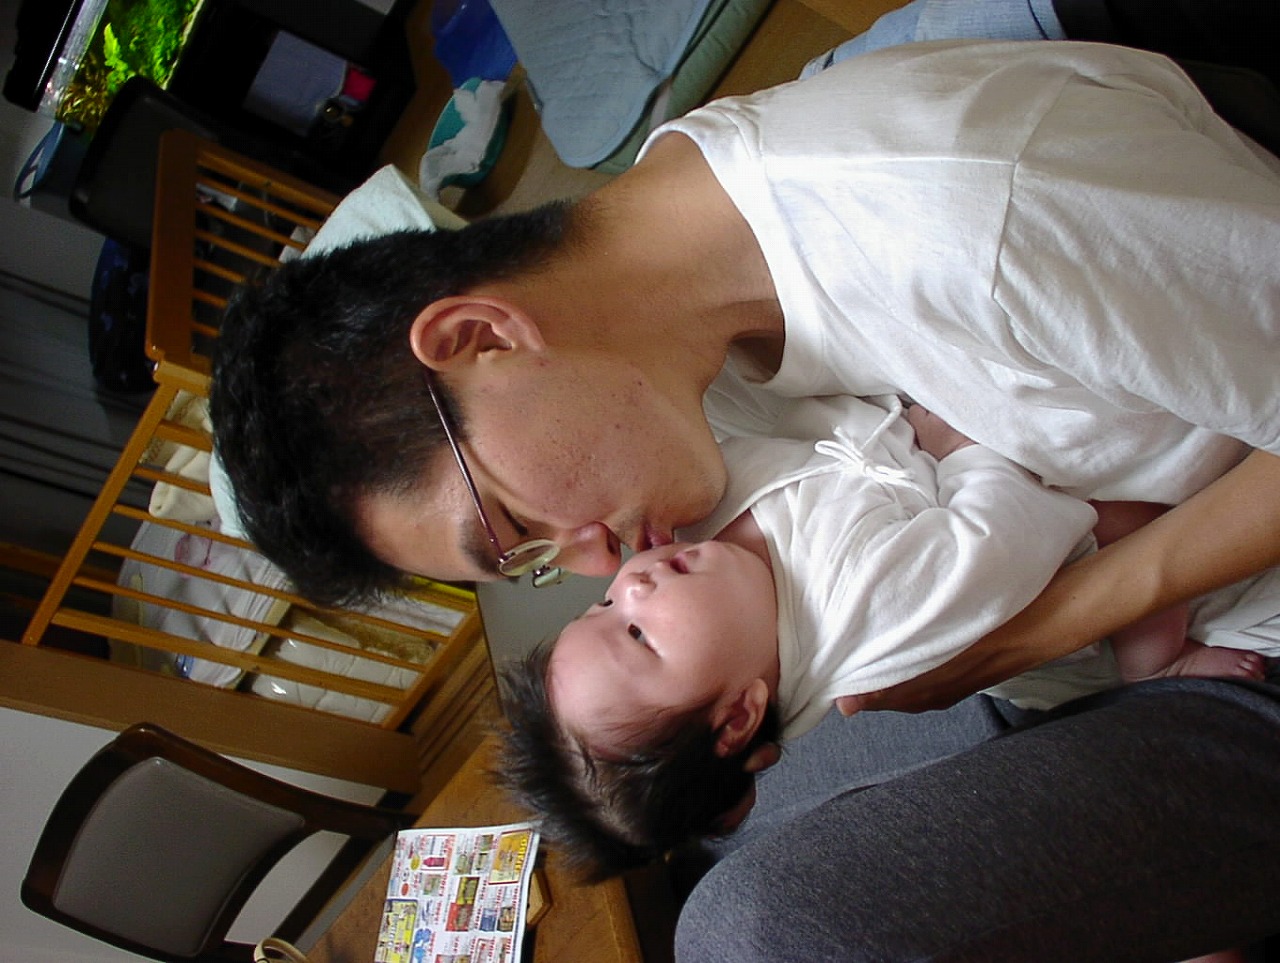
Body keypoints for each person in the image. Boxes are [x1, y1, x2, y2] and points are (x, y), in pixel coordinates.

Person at [207, 8, 1280, 960]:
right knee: (687, 834)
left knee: (744, 932)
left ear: (481, 336)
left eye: (515, 527)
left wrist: (1052, 628)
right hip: (1089, 635)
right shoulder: (669, 328)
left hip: (1233, 629)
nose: (596, 566)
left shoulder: (975, 217)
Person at [496, 397, 1272, 878]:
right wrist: (959, 444)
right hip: (1060, 563)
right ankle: (1156, 665)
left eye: (600, 605)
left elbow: (790, 430)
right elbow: (1006, 533)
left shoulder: (707, 550)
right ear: (737, 716)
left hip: (896, 438)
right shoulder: (872, 615)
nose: (631, 585)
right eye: (638, 635)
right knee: (1127, 515)